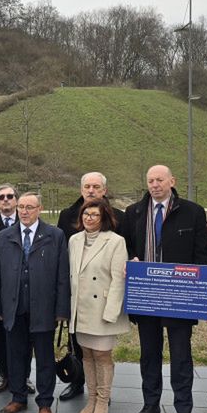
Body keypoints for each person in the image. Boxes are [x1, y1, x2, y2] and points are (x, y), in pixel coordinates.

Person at [122, 164, 207, 413]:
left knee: (181, 355)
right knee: (149, 354)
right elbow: (128, 247)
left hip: (178, 296)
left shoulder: (192, 212)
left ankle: (183, 412)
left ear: (172, 181)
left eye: (160, 179)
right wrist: (131, 259)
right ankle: (151, 404)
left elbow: (201, 255)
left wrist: (198, 293)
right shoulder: (134, 212)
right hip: (147, 294)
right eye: (150, 180)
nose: (155, 184)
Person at [0, 192, 70, 413]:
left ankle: (44, 402)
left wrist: (61, 310)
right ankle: (18, 397)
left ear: (40, 209)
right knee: (16, 356)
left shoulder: (54, 235)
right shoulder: (4, 236)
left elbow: (62, 275)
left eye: (30, 207)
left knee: (45, 357)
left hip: (44, 308)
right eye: (21, 207)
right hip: (14, 308)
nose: (24, 211)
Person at [57, 172, 126, 401]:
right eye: (87, 186)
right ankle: (78, 383)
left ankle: (102, 396)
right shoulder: (68, 215)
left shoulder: (118, 217)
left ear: (104, 190)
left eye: (96, 186)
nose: (91, 190)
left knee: (101, 351)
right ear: (80, 189)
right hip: (78, 295)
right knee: (79, 348)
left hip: (102, 295)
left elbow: (125, 254)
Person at [68, 197, 129, 413]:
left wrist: (111, 312)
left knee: (102, 356)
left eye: (94, 215)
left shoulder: (115, 241)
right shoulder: (74, 240)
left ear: (104, 218)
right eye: (85, 214)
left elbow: (117, 281)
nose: (89, 218)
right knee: (87, 355)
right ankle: (91, 398)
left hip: (102, 309)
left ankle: (103, 401)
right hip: (80, 308)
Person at [0, 184, 33, 396]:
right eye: (1, 196)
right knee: (1, 337)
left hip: (23, 291)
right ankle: (5, 375)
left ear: (16, 200)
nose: (5, 200)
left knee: (25, 338)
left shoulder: (27, 221)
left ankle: (24, 377)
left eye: (10, 196)